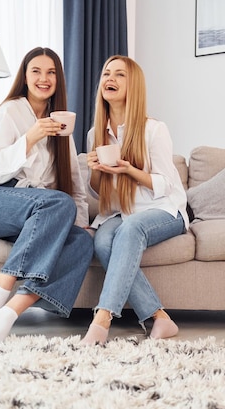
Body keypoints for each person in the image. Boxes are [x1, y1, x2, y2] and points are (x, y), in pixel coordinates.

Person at [0, 47, 94, 344]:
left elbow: (74, 183)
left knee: (82, 240)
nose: (44, 78)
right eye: (36, 71)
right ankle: (0, 285)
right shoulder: (11, 111)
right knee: (58, 202)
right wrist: (31, 137)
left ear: (58, 80)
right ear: (25, 76)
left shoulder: (61, 126)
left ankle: (8, 312)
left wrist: (80, 222)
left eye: (51, 73)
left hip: (29, 210)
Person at [79, 55, 189, 345]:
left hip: (164, 210)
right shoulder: (96, 134)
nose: (110, 79)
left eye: (119, 75)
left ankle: (102, 319)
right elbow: (98, 193)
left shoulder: (154, 129)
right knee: (102, 241)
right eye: (106, 74)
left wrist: (130, 171)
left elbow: (165, 184)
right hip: (121, 212)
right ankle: (160, 319)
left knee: (130, 230)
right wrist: (94, 171)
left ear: (134, 86)